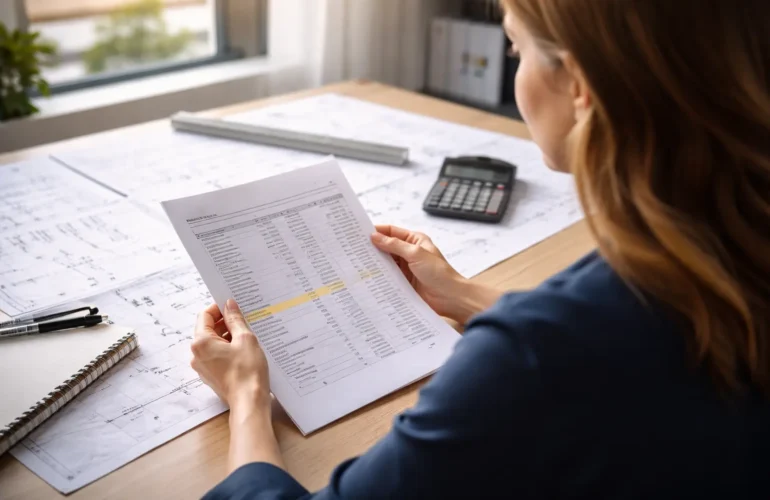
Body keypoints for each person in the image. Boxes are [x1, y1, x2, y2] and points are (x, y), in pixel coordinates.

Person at [190, 0, 770, 498]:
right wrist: (465, 295)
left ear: (578, 86)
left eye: (515, 49)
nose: (514, 70)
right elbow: (642, 334)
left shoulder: (532, 361)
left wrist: (247, 395)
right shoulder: (726, 238)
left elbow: (570, 351)